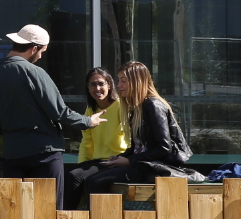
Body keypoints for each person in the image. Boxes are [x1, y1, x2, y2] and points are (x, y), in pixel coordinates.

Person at [0, 24, 103, 210]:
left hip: (12, 154)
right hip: (45, 154)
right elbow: (59, 112)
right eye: (42, 52)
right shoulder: (34, 73)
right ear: (34, 48)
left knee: (13, 213)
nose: (40, 56)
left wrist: (8, 126)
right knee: (48, 211)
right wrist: (88, 121)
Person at [75, 62, 192, 198]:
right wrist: (122, 157)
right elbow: (137, 146)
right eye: (119, 81)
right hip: (142, 164)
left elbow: (164, 148)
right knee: (90, 178)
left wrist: (130, 161)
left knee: (96, 181)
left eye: (123, 81)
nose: (118, 86)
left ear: (137, 82)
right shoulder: (137, 108)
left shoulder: (153, 105)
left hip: (155, 166)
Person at [64, 67, 127, 209]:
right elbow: (87, 142)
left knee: (78, 177)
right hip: (98, 161)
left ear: (109, 85)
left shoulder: (121, 106)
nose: (97, 88)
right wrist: (82, 165)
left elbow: (128, 138)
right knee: (70, 175)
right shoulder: (91, 110)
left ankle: (68, 218)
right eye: (92, 84)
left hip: (115, 161)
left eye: (101, 84)